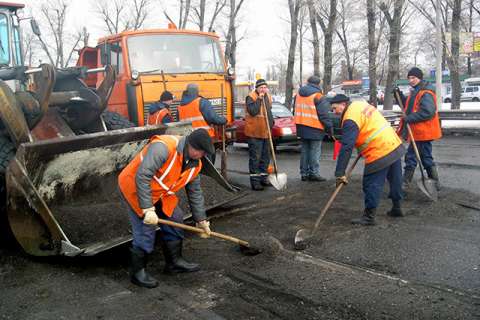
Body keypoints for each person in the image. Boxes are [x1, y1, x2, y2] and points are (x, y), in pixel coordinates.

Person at [118, 129, 214, 288]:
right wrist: (148, 209)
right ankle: (137, 273)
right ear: (191, 145)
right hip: (135, 187)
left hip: (161, 191)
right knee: (146, 226)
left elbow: (195, 192)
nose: (202, 155)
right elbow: (142, 176)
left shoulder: (195, 163)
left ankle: (174, 262)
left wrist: (201, 220)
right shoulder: (163, 147)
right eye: (200, 152)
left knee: (175, 217)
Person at [331, 94, 406, 226]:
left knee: (371, 183)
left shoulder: (350, 118)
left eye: (334, 108)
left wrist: (339, 172)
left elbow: (347, 146)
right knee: (395, 179)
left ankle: (369, 217)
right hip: (393, 144)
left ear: (343, 104)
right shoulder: (360, 105)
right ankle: (397, 207)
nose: (334, 112)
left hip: (379, 150)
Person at [395, 67, 442, 190]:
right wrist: (398, 95)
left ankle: (404, 185)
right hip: (418, 132)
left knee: (412, 157)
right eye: (409, 78)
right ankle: (435, 184)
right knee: (425, 157)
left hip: (423, 132)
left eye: (413, 78)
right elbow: (409, 105)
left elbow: (427, 112)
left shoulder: (425, 92)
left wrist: (408, 118)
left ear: (419, 78)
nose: (411, 80)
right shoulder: (416, 91)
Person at [294, 75, 333, 182]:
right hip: (315, 127)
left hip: (301, 126)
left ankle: (304, 173)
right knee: (315, 151)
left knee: (305, 151)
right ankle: (314, 173)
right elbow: (324, 115)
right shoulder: (318, 96)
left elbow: (295, 110)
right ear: (318, 84)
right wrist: (329, 128)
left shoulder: (298, 94)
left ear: (307, 82)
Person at [244, 79, 274, 191]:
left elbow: (269, 112)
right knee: (255, 158)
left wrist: (272, 124)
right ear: (256, 88)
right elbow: (253, 111)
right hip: (254, 132)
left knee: (265, 157)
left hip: (266, 132)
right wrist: (259, 99)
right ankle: (255, 182)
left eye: (265, 87)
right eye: (261, 87)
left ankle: (263, 178)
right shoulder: (251, 97)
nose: (263, 89)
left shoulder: (268, 97)